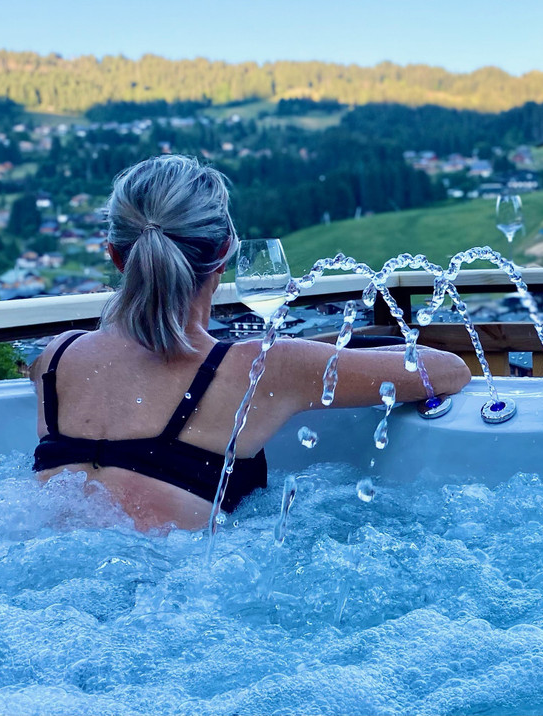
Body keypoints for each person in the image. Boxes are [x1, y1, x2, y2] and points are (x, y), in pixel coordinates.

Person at [31, 156, 471, 532]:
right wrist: (320, 356)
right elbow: (445, 369)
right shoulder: (264, 368)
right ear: (225, 252)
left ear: (114, 254)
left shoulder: (57, 359)